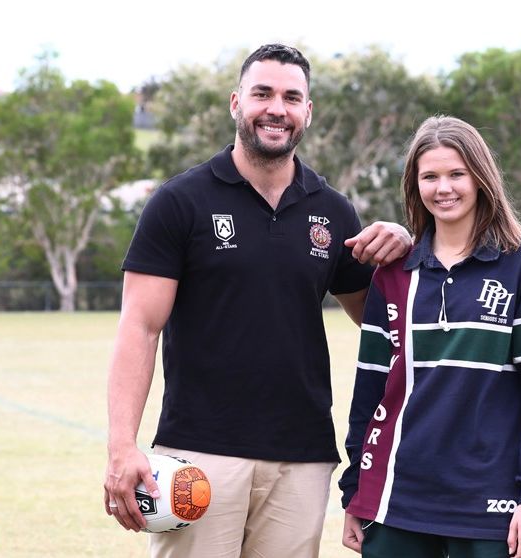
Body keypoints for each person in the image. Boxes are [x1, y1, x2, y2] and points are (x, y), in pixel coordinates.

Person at [103, 43, 411, 558]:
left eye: (292, 97)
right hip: (199, 454)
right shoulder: (180, 202)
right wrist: (121, 446)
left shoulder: (333, 211)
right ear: (235, 103)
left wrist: (401, 245)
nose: (277, 108)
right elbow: (139, 327)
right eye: (262, 93)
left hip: (302, 456)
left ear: (307, 112)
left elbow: (381, 324)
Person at [339, 116, 521, 558]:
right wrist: (357, 490)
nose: (443, 188)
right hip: (396, 498)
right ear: (415, 185)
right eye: (430, 176)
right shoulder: (393, 272)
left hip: (490, 500)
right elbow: (371, 389)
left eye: (456, 174)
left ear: (480, 177)